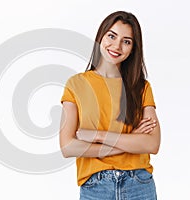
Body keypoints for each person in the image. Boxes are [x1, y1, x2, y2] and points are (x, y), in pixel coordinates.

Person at [59, 11, 160, 200]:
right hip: (96, 187)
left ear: (133, 49)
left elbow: (152, 143)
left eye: (127, 41)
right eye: (112, 36)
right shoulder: (76, 84)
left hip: (138, 183)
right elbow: (68, 147)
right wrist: (130, 141)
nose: (117, 46)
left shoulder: (141, 87)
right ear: (101, 36)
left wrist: (97, 136)